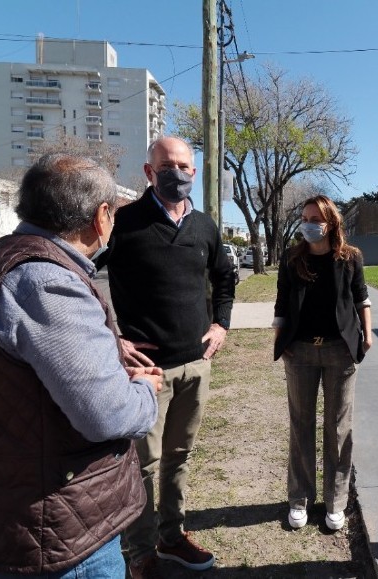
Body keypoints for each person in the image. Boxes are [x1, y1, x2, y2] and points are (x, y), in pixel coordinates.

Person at [0, 153, 162, 577]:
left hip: (13, 505)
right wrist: (144, 389)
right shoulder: (46, 279)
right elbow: (108, 414)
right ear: (102, 215)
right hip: (57, 530)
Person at [97, 136, 236, 578]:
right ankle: (140, 552)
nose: (177, 172)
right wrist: (111, 336)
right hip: (147, 372)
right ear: (149, 171)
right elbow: (78, 273)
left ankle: (172, 537)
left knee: (180, 456)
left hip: (196, 365)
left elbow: (225, 278)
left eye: (184, 166)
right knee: (142, 464)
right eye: (167, 164)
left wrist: (221, 324)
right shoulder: (123, 222)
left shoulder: (206, 227)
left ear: (194, 172)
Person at [273, 195, 372, 533]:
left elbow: (362, 299)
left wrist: (367, 335)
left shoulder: (350, 258)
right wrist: (278, 337)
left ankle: (336, 501)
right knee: (301, 425)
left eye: (315, 217)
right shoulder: (292, 258)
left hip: (339, 351)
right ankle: (299, 499)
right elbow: (282, 302)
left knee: (339, 429)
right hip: (299, 351)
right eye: (304, 217)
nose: (308, 223)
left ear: (331, 223)